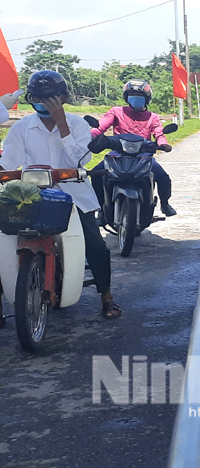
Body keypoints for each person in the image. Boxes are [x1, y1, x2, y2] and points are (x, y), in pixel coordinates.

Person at [1, 71, 121, 319]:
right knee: (5, 239)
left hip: (74, 195)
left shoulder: (78, 125)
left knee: (95, 244)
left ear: (63, 98)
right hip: (31, 194)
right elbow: (9, 162)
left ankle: (106, 296)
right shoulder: (22, 127)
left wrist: (62, 125)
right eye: (37, 98)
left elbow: (80, 160)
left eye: (49, 98)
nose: (43, 103)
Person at [90, 80, 176, 217]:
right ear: (126, 97)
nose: (136, 99)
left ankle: (165, 204)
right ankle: (101, 209)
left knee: (163, 177)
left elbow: (159, 133)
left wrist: (163, 144)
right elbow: (101, 127)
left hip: (143, 156)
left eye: (140, 96)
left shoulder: (152, 117)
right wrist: (91, 136)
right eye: (132, 95)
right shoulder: (116, 112)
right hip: (118, 153)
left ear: (147, 99)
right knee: (96, 174)